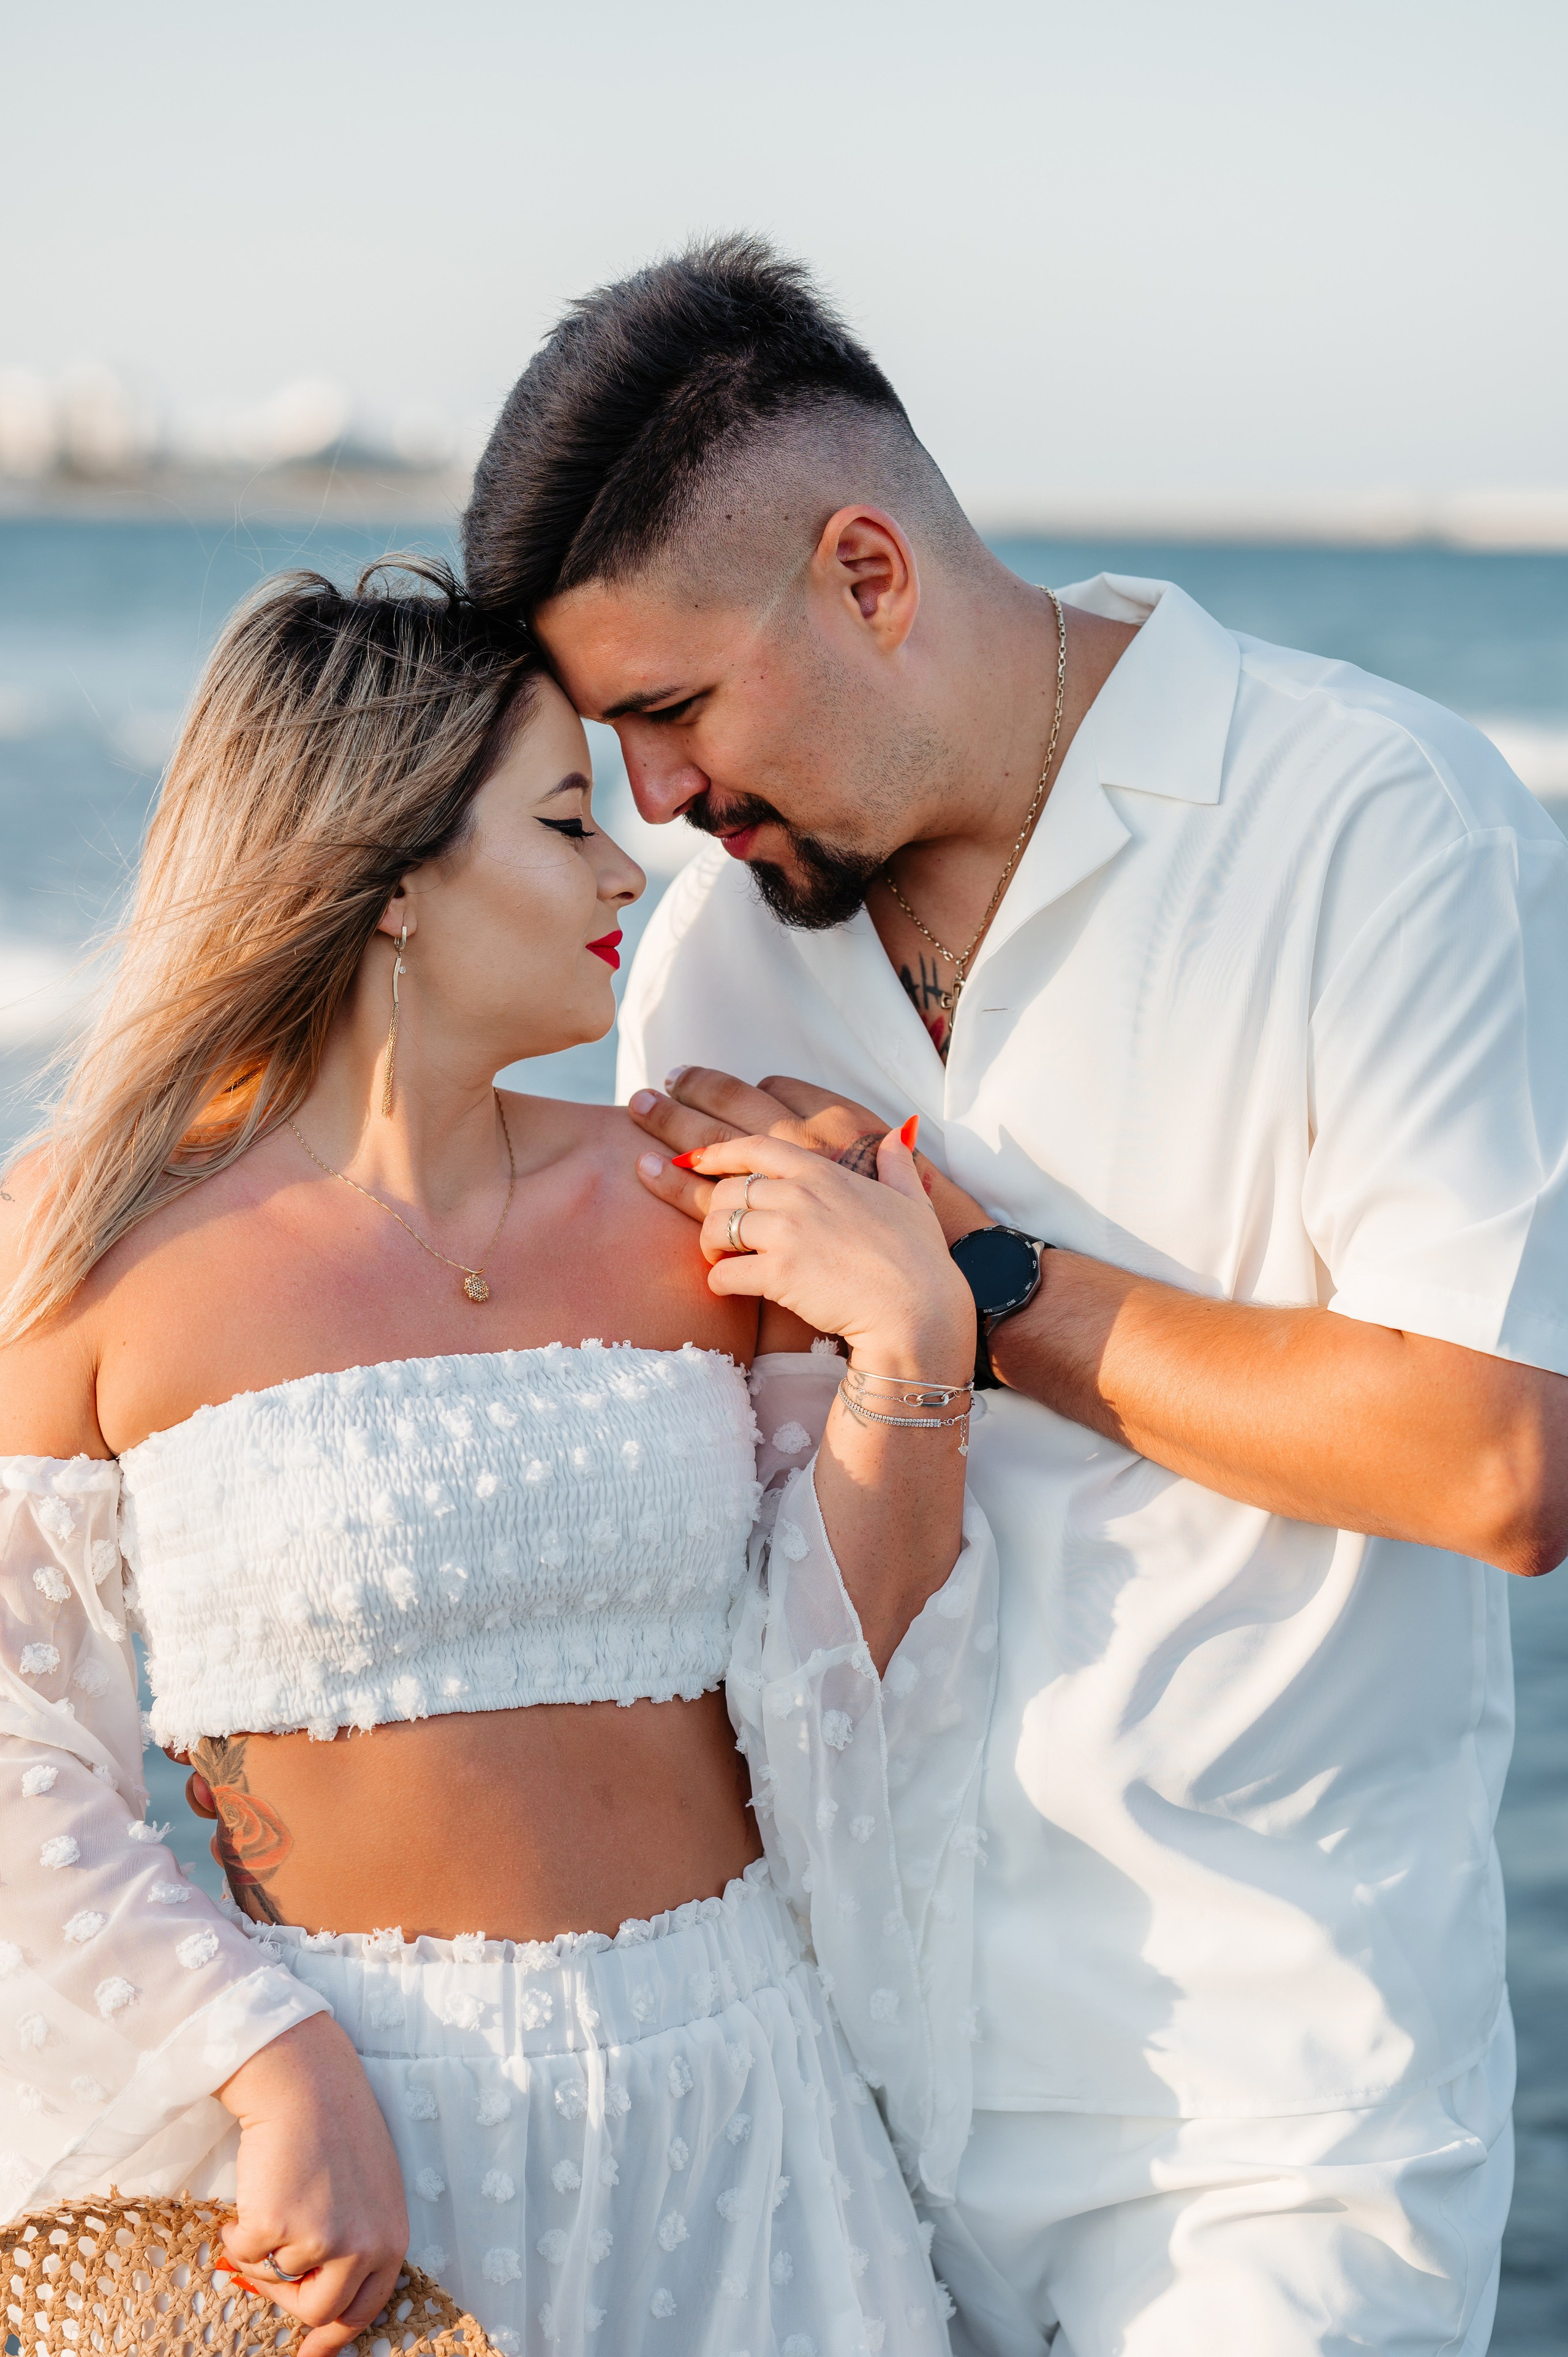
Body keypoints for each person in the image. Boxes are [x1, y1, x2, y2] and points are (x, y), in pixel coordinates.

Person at [460, 236, 1568, 2357]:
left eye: (673, 712)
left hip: (1257, 2136)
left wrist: (968, 1279)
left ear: (867, 575)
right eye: (616, 744)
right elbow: (728, 1547)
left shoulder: (1375, 824)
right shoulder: (712, 953)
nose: (658, 802)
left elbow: (1497, 1455)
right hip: (823, 2104)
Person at [0, 557, 981, 2357]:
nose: (628, 874)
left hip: (745, 2114)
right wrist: (270, 2061)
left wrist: (917, 1352)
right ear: (386, 876)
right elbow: (14, 1762)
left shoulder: (695, 1204)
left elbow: (837, 1693)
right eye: (563, 821)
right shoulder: (88, 1244)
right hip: (348, 2151)